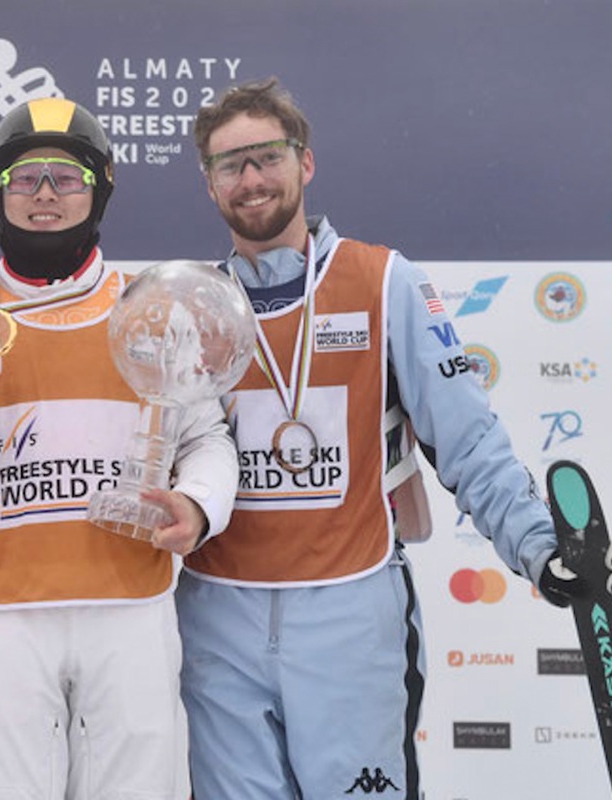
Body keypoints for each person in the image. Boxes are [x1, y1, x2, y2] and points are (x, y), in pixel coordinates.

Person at [178, 76, 579, 799]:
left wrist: (541, 548)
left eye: (266, 156)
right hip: (219, 621)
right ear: (210, 187)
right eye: (229, 165)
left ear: (305, 163)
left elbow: (469, 440)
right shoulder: (190, 306)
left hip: (349, 613)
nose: (251, 179)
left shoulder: (383, 281)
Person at [0, 96, 239, 800]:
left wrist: (198, 505)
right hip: (5, 617)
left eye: (67, 177)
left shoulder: (150, 307)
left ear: (101, 188)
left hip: (130, 607)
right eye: (26, 179)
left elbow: (207, 438)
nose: (47, 196)